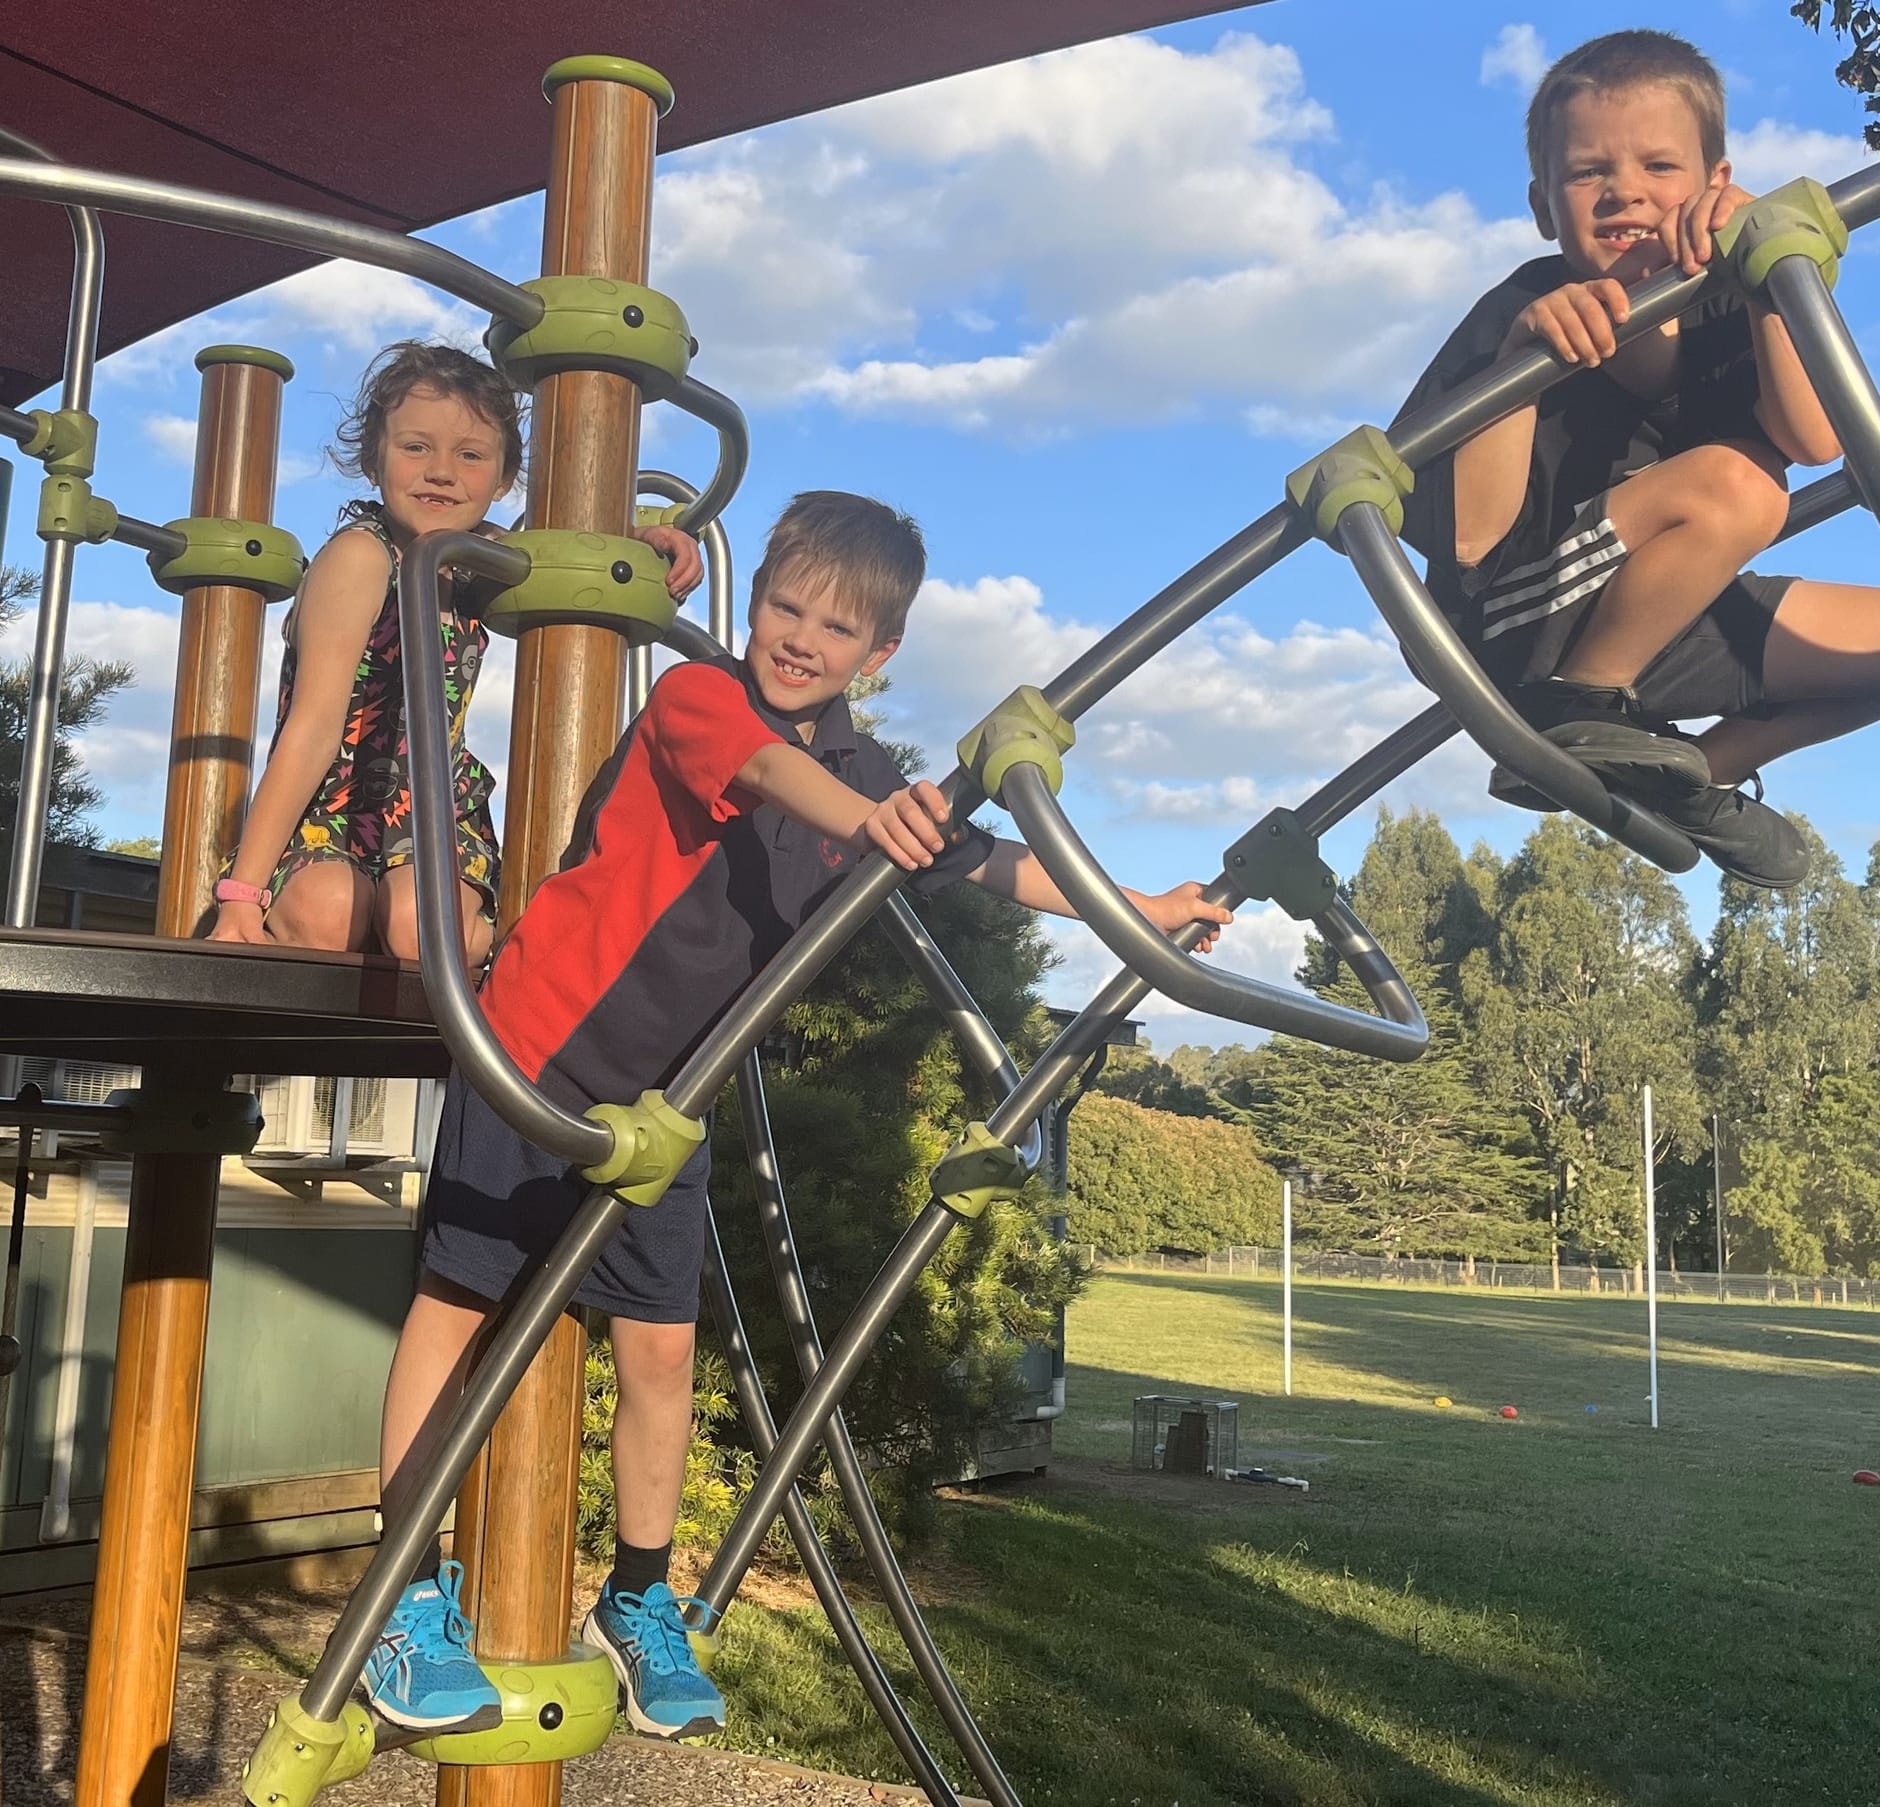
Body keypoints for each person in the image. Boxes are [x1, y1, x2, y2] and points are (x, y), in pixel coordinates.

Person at [361, 491, 1231, 1738]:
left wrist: (1133, 903)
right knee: (456, 1311)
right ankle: (404, 1591)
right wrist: (873, 819)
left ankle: (639, 1597)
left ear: (876, 656)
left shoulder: (867, 775)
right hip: (537, 1049)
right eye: (784, 607)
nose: (798, 638)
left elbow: (985, 862)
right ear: (755, 598)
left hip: (669, 1100)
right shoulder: (702, 701)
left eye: (834, 627)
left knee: (659, 1353)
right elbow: (771, 773)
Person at [1392, 29, 1880, 888]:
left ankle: (1690, 774)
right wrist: (1518, 367)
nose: (1625, 193)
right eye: (1588, 173)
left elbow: (1814, 439)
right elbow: (1468, 539)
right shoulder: (1524, 312)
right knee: (1740, 482)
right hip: (1520, 626)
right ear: (1545, 205)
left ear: (1714, 186)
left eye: (1660, 168)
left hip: (1657, 613)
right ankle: (1577, 707)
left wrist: (1771, 265)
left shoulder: (1729, 307)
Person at [207, 341, 703, 964]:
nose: (441, 471)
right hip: (328, 808)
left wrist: (641, 535)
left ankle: (498, 949)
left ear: (501, 480)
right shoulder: (361, 557)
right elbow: (311, 727)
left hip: (434, 808)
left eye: (470, 456)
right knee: (332, 916)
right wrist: (240, 895)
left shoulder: (480, 556)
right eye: (416, 447)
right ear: (374, 459)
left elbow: (560, 548)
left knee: (425, 931)